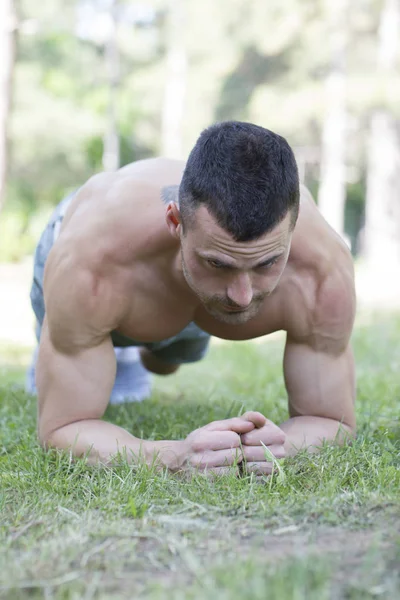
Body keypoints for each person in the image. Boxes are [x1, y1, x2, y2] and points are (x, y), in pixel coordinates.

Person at [27, 121, 356, 476]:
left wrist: (280, 446)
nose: (242, 297)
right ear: (175, 223)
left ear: (293, 227)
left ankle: (143, 349)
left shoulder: (321, 271)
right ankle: (88, 345)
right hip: (115, 267)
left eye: (267, 262)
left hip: (183, 284)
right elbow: (62, 429)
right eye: (218, 263)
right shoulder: (91, 263)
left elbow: (330, 421)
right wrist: (174, 456)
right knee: (80, 345)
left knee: (165, 361)